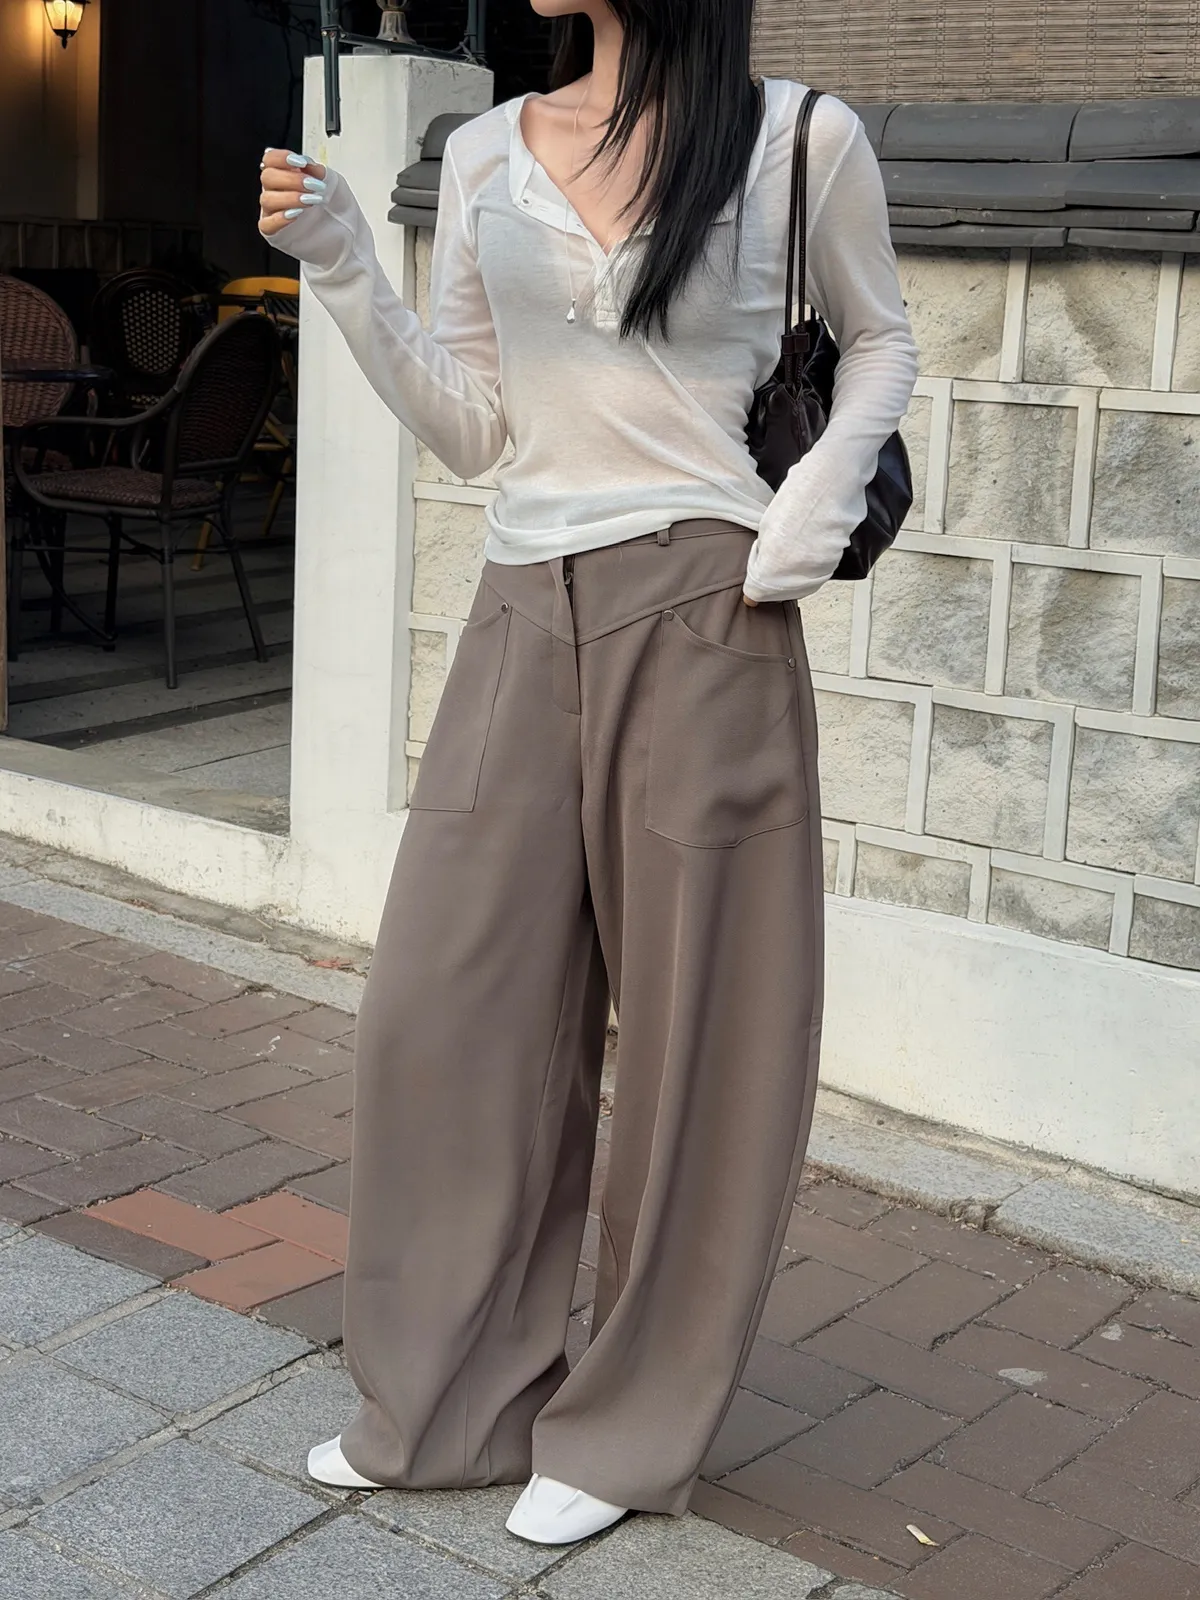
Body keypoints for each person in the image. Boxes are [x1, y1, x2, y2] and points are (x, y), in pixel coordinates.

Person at [258, 0, 918, 1548]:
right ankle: (446, 1402)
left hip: (709, 612)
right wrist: (347, 267)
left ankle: (623, 1430)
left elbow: (884, 339)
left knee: (703, 1038)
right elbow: (478, 428)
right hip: (520, 606)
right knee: (446, 1012)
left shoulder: (799, 141)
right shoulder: (490, 148)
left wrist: (814, 502)